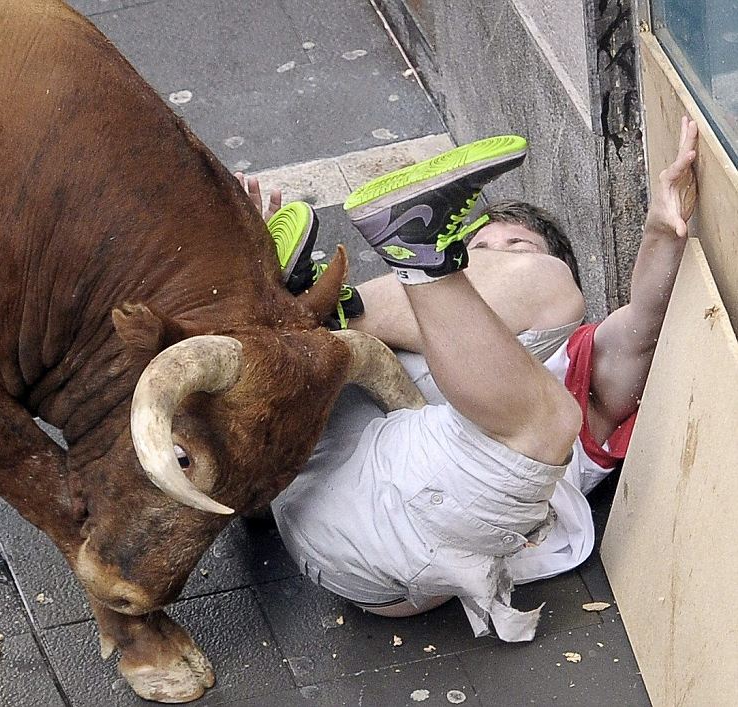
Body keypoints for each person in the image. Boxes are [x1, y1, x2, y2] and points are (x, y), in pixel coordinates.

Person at [235, 116, 699, 641]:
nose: (493, 260)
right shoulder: (408, 325)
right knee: (320, 365)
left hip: (391, 536)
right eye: (474, 252)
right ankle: (297, 308)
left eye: (516, 247)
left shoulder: (579, 367)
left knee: (550, 361)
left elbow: (645, 322)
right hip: (305, 472)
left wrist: (662, 229)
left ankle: (310, 306)